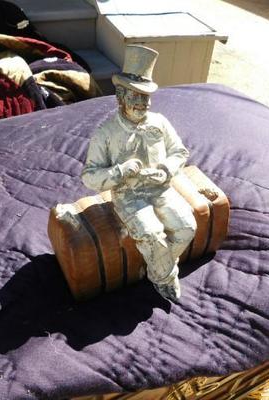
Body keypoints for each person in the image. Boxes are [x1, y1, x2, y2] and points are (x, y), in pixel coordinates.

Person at [81, 45, 196, 301]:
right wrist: (119, 171)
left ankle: (156, 268)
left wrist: (166, 170)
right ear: (120, 95)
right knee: (152, 233)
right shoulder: (106, 133)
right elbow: (89, 177)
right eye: (136, 96)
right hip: (129, 196)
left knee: (187, 227)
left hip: (161, 190)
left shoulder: (160, 122)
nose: (143, 103)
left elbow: (180, 151)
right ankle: (164, 277)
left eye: (147, 97)